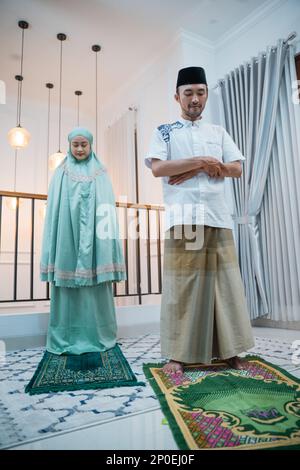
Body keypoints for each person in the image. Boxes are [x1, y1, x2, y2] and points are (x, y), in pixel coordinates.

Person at [145, 66, 255, 374]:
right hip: (185, 218)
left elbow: (236, 169)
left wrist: (195, 168)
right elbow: (158, 168)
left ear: (206, 95)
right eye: (189, 93)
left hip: (218, 216)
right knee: (184, 285)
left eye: (200, 92)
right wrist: (202, 162)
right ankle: (178, 355)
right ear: (177, 96)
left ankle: (231, 351)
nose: (195, 99)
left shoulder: (218, 132)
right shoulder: (164, 131)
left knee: (224, 284)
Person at [40, 127, 126, 355]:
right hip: (67, 237)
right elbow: (55, 212)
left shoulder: (101, 172)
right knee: (67, 290)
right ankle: (65, 338)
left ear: (91, 145)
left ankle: (100, 335)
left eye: (84, 145)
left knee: (96, 289)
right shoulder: (60, 173)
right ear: (69, 146)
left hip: (97, 238)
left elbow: (107, 208)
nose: (79, 149)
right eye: (75, 145)